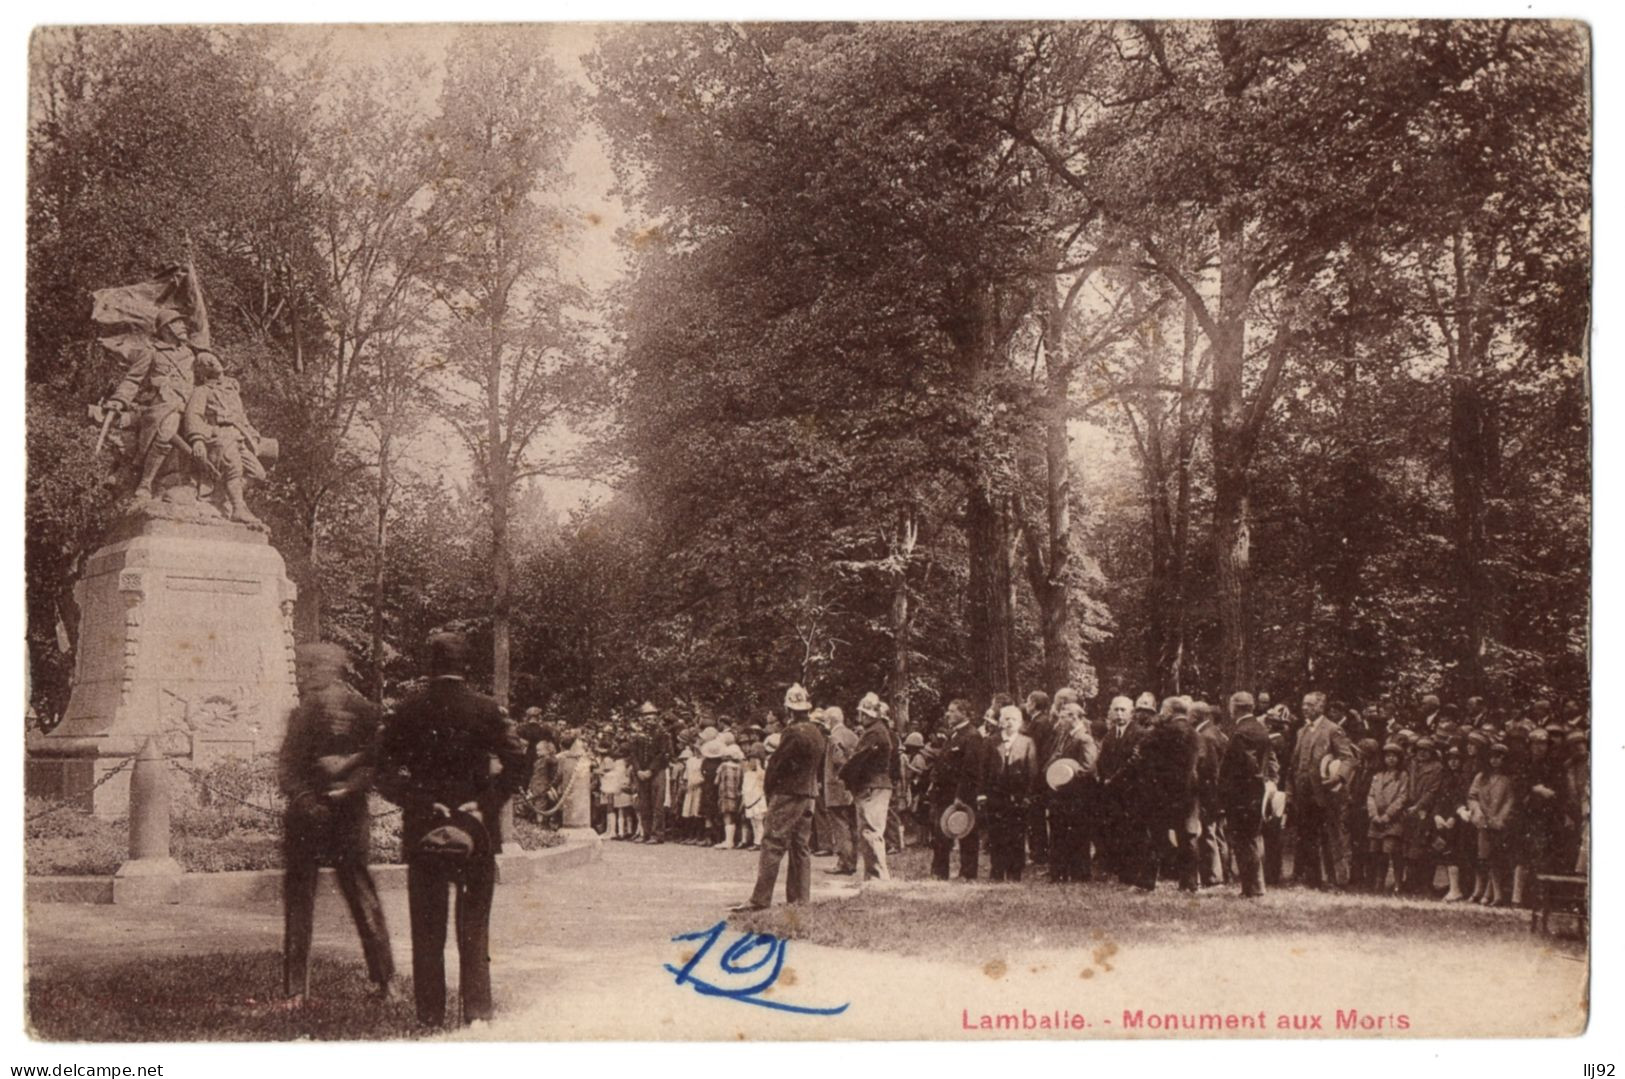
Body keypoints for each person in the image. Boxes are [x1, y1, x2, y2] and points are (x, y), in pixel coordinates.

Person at [376, 632, 526, 1027]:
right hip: (477, 829)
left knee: (427, 929)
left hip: (424, 827)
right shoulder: (487, 709)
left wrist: (419, 801)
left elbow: (381, 769)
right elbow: (517, 763)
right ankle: (476, 1013)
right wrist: (485, 803)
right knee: (474, 925)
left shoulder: (409, 710)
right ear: (465, 665)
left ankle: (430, 1017)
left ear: (431, 664)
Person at [278, 642, 393, 1003]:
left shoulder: (362, 711)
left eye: (312, 667)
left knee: (349, 897)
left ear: (332, 669)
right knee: (317, 901)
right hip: (319, 817)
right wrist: (314, 798)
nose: (306, 674)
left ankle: (384, 982)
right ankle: (300, 990)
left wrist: (342, 791)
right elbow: (288, 768)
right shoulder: (306, 714)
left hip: (339, 817)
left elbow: (376, 764)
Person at [732, 684, 828, 912]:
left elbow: (777, 765)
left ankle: (760, 898)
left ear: (789, 710)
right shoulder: (817, 732)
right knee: (800, 845)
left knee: (772, 843)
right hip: (808, 792)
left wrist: (770, 788)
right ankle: (800, 898)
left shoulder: (793, 732)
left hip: (787, 793)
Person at [102, 307, 197, 502]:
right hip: (159, 405)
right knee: (165, 431)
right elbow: (133, 379)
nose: (183, 326)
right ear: (166, 328)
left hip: (186, 406)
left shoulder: (190, 355)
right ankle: (145, 482)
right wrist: (119, 399)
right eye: (177, 323)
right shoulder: (152, 352)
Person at [183, 349, 268, 526]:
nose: (212, 363)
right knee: (234, 468)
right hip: (219, 435)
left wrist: (252, 432)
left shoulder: (232, 390)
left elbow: (241, 416)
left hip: (239, 436)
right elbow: (193, 416)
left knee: (258, 474)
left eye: (213, 359)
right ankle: (238, 508)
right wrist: (197, 439)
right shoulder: (202, 391)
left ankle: (223, 493)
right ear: (202, 371)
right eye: (206, 363)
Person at [1287, 691, 1357, 890]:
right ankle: (1313, 880)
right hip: (1304, 795)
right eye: (1303, 704)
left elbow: (1349, 758)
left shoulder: (1333, 730)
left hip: (1326, 795)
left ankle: (1337, 881)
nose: (1304, 708)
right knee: (1307, 836)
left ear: (1320, 707)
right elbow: (1293, 766)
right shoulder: (1301, 731)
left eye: (1309, 705)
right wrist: (1291, 791)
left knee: (1330, 838)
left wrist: (1338, 777)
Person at [1219, 691, 1277, 898]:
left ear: (1235, 707)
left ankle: (1252, 889)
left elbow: (1245, 766)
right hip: (1255, 794)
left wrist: (1229, 789)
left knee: (1245, 842)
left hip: (1243, 796)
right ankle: (1254, 887)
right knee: (1251, 840)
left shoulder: (1242, 731)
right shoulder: (1259, 728)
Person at [842, 693, 898, 884]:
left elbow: (858, 759)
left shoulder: (874, 732)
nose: (861, 717)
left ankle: (876, 877)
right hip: (877, 784)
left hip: (871, 785)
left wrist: (845, 776)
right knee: (871, 830)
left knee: (870, 831)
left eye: (862, 714)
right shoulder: (880, 730)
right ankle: (874, 876)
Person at [927, 700, 985, 881]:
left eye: (952, 711)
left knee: (966, 832)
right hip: (943, 792)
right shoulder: (954, 735)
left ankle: (968, 873)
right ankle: (939, 871)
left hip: (960, 792)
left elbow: (970, 769)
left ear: (964, 713)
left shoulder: (972, 736)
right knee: (940, 832)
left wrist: (961, 795)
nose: (948, 714)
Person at [982, 705, 1038, 882]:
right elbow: (982, 769)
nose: (1009, 723)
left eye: (1013, 719)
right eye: (1006, 719)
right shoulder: (991, 741)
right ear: (1000, 722)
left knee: (1016, 834)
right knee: (996, 833)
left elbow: (1032, 771)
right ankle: (997, 870)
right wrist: (982, 793)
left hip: (1018, 796)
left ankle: (1015, 872)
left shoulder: (1027, 742)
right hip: (995, 795)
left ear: (1020, 722)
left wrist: (1029, 795)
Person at [1044, 701, 1099, 883]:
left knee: (1077, 835)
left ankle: (1079, 874)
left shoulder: (1084, 739)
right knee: (1059, 834)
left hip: (1076, 797)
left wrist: (1065, 778)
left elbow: (1088, 768)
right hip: (1061, 795)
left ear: (1074, 718)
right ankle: (1059, 873)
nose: (1059, 721)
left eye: (1062, 717)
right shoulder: (1064, 736)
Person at [1467, 743, 1517, 906]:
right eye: (1493, 757)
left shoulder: (1508, 780)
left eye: (1500, 757)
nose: (1496, 761)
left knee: (1496, 859)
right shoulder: (1481, 777)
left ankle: (1496, 894)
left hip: (1499, 823)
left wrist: (1500, 819)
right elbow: (1472, 796)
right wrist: (1477, 811)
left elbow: (1510, 801)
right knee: (1483, 858)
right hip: (1482, 822)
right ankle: (1480, 891)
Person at [1192, 700, 1230, 888]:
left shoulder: (1204, 736)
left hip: (1208, 792)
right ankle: (1221, 873)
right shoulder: (1216, 733)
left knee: (1208, 834)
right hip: (1217, 792)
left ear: (1196, 716)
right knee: (1215, 833)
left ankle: (1214, 877)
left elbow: (1207, 769)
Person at [1366, 742, 1410, 894]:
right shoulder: (1378, 776)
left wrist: (1388, 815)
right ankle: (1379, 882)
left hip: (1393, 819)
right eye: (1388, 756)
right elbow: (1371, 796)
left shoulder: (1403, 776)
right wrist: (1374, 815)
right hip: (1376, 820)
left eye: (1394, 757)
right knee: (1376, 852)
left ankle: (1398, 883)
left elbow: (1402, 797)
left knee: (1392, 850)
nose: (1391, 759)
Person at [822, 704, 860, 876]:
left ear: (830, 720)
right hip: (852, 787)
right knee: (852, 825)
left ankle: (844, 863)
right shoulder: (853, 735)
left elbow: (838, 760)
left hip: (837, 786)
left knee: (840, 826)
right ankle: (852, 861)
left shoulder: (834, 737)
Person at [630, 703, 672, 844]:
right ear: (642, 719)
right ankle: (645, 833)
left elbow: (663, 754)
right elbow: (633, 754)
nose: (650, 721)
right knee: (644, 804)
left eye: (653, 718)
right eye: (647, 718)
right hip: (641, 772)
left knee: (657, 804)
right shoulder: (636, 735)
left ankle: (657, 834)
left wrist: (650, 770)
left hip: (657, 771)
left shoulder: (663, 734)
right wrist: (638, 771)